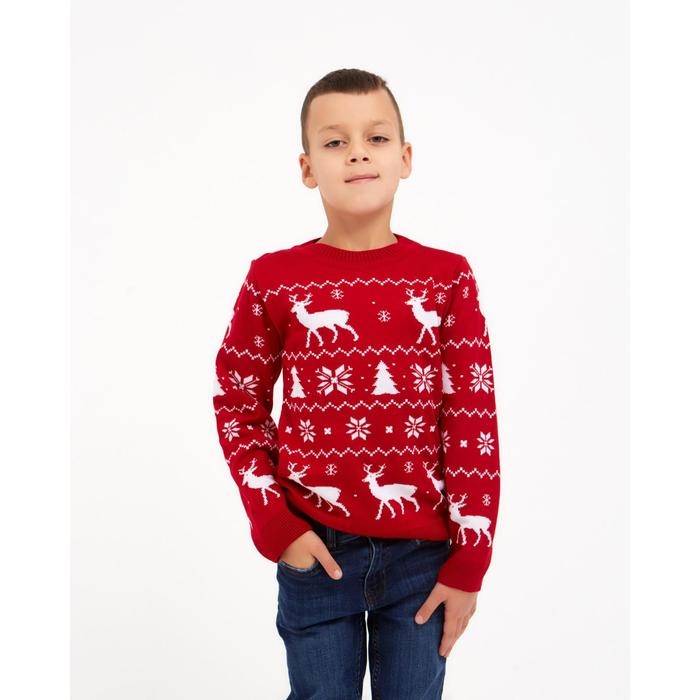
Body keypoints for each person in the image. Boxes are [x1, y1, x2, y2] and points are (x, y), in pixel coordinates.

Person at [212, 68, 501, 699]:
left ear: (405, 157)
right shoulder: (273, 279)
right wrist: (276, 524)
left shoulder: (446, 279)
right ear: (307, 167)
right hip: (315, 547)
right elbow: (237, 399)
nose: (358, 153)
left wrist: (471, 557)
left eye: (375, 137)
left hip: (423, 559)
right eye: (335, 141)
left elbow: (471, 415)